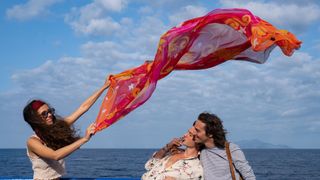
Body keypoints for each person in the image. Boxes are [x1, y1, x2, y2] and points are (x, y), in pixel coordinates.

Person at [23, 78, 110, 179]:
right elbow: (55, 155)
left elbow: (83, 108)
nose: (49, 115)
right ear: (35, 119)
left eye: (50, 111)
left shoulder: (56, 129)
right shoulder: (33, 142)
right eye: (44, 114)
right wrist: (84, 139)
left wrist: (104, 87)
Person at [190, 112, 256, 180]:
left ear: (210, 134)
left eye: (197, 130)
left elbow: (249, 176)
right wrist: (177, 145)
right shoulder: (199, 150)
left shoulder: (231, 149)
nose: (193, 132)